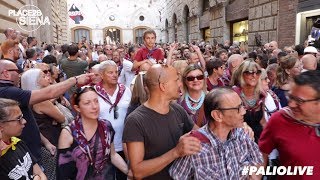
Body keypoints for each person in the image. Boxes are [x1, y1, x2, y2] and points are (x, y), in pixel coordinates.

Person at [0, 60, 92, 163]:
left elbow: (30, 122)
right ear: (6, 73)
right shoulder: (7, 91)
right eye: (17, 71)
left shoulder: (11, 91)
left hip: (33, 148)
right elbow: (51, 94)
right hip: (26, 153)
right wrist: (75, 79)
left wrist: (45, 142)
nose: (20, 75)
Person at [123, 64, 201, 179]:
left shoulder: (177, 109)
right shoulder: (135, 121)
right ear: (163, 86)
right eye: (176, 80)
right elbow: (137, 172)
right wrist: (175, 152)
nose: (180, 84)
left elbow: (199, 133)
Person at [169, 87, 263, 179]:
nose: (243, 111)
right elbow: (177, 176)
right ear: (217, 115)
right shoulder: (193, 146)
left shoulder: (243, 134)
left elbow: (258, 160)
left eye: (242, 105)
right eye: (237, 108)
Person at [57, 86, 129, 179]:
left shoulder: (106, 126)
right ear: (77, 108)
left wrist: (129, 172)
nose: (94, 106)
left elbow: (113, 155)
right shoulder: (68, 134)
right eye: (87, 103)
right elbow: (63, 173)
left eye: (96, 101)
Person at [259, 70, 320, 179]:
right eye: (290, 97)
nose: (291, 104)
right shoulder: (279, 119)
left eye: (299, 101)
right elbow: (261, 155)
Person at [94, 60, 131, 180]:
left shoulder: (125, 90)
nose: (115, 75)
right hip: (101, 147)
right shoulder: (93, 92)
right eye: (110, 72)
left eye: (116, 72)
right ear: (101, 75)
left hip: (125, 145)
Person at [0, 98, 46, 180]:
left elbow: (39, 172)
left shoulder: (17, 142)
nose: (24, 121)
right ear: (1, 126)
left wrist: (38, 177)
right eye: (18, 119)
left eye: (22, 117)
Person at [231, 59, 266, 142]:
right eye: (250, 72)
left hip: (259, 140)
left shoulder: (261, 94)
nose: (254, 75)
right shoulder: (234, 94)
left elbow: (262, 120)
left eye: (257, 72)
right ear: (241, 74)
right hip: (240, 141)